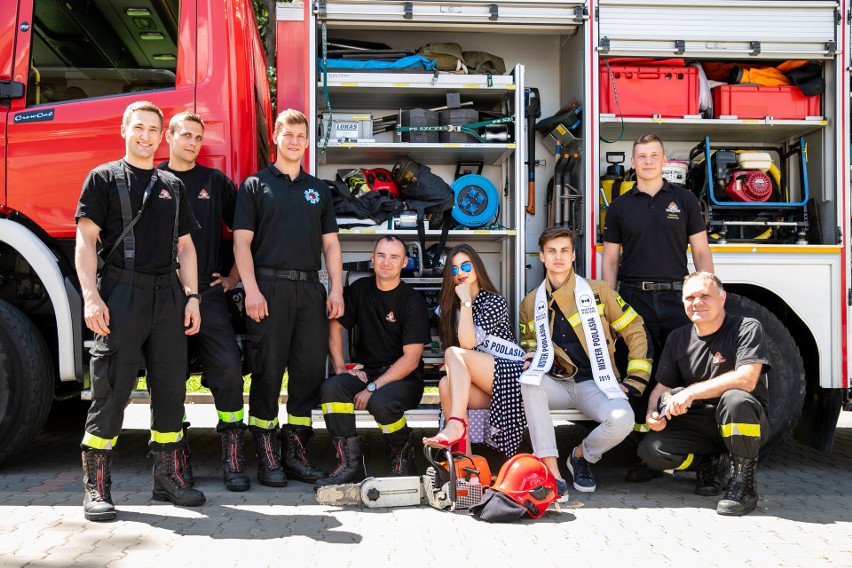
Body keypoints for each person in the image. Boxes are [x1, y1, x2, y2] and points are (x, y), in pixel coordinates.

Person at [75, 100, 204, 521]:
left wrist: (192, 296)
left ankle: (168, 480)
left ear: (160, 135)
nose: (146, 136)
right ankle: (97, 487)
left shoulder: (173, 185)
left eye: (153, 129)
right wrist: (91, 297)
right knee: (111, 390)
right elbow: (85, 243)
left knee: (171, 390)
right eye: (140, 127)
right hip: (122, 296)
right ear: (125, 129)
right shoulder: (103, 179)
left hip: (168, 296)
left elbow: (185, 246)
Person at [233, 109, 343, 486]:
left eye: (301, 135)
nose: (295, 141)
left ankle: (294, 454)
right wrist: (251, 290)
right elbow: (241, 242)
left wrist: (336, 288)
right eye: (288, 134)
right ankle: (266, 459)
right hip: (268, 289)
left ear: (307, 142)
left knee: (308, 375)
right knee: (267, 373)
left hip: (310, 290)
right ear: (276, 138)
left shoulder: (319, 190)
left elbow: (331, 244)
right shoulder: (254, 186)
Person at [601, 133, 714, 481]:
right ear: (633, 163)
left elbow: (700, 251)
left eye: (653, 155)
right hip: (633, 299)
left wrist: (707, 290)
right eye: (641, 156)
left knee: (686, 373)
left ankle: (702, 455)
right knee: (638, 375)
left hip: (676, 298)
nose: (647, 161)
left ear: (664, 160)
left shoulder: (685, 200)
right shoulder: (619, 206)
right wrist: (609, 305)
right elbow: (609, 261)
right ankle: (647, 455)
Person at [520, 227, 651, 496]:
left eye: (564, 251)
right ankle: (550, 470)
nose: (558, 257)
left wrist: (636, 378)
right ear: (542, 256)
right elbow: (529, 345)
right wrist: (532, 357)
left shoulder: (599, 291)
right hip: (557, 384)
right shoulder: (530, 303)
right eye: (552, 251)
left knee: (623, 419)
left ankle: (581, 456)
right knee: (530, 382)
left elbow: (635, 328)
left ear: (573, 256)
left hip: (596, 384)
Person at [160, 111, 249, 492]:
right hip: (165, 296)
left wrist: (232, 277)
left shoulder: (215, 182)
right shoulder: (153, 181)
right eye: (186, 135)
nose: (193, 142)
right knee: (168, 377)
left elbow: (246, 233)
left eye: (198, 137)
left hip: (209, 294)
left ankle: (232, 455)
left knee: (228, 369)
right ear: (170, 136)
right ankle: (176, 459)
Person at [638, 271, 770, 516]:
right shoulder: (678, 338)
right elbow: (662, 386)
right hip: (701, 423)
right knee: (651, 451)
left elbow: (747, 379)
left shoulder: (746, 328)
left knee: (735, 399)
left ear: (722, 298)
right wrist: (652, 413)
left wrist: (690, 393)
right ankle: (709, 462)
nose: (697, 302)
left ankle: (744, 484)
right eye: (690, 298)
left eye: (705, 296)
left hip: (740, 419)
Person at [315, 236, 431, 487]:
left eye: (394, 257)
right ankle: (350, 464)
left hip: (403, 378)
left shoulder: (412, 301)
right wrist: (339, 368)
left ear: (404, 263)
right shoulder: (359, 290)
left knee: (381, 402)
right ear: (372, 259)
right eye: (381, 255)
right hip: (367, 372)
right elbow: (333, 326)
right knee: (332, 389)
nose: (386, 262)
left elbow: (411, 360)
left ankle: (402, 452)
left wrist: (373, 387)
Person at [422, 244, 526, 458]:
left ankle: (455, 424)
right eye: (454, 269)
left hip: (509, 379)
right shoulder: (451, 308)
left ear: (477, 268)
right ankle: (465, 461)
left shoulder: (494, 302)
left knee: (453, 353)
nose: (460, 273)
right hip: (485, 385)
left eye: (466, 266)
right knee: (444, 384)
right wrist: (461, 303)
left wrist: (466, 301)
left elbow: (468, 344)